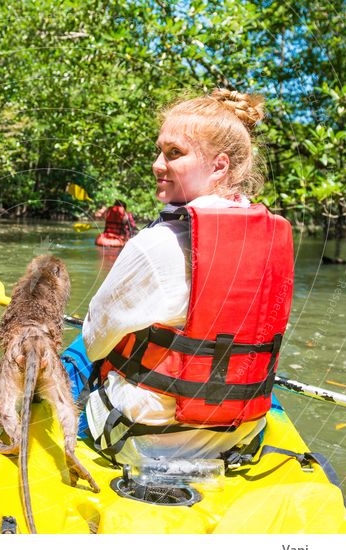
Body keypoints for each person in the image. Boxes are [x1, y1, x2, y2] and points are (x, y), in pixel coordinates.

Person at [80, 88, 294, 464]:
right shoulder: (274, 238)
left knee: (83, 353)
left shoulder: (154, 244)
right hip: (240, 441)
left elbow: (95, 342)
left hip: (141, 444)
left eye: (174, 153)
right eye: (160, 151)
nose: (157, 164)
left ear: (219, 166)